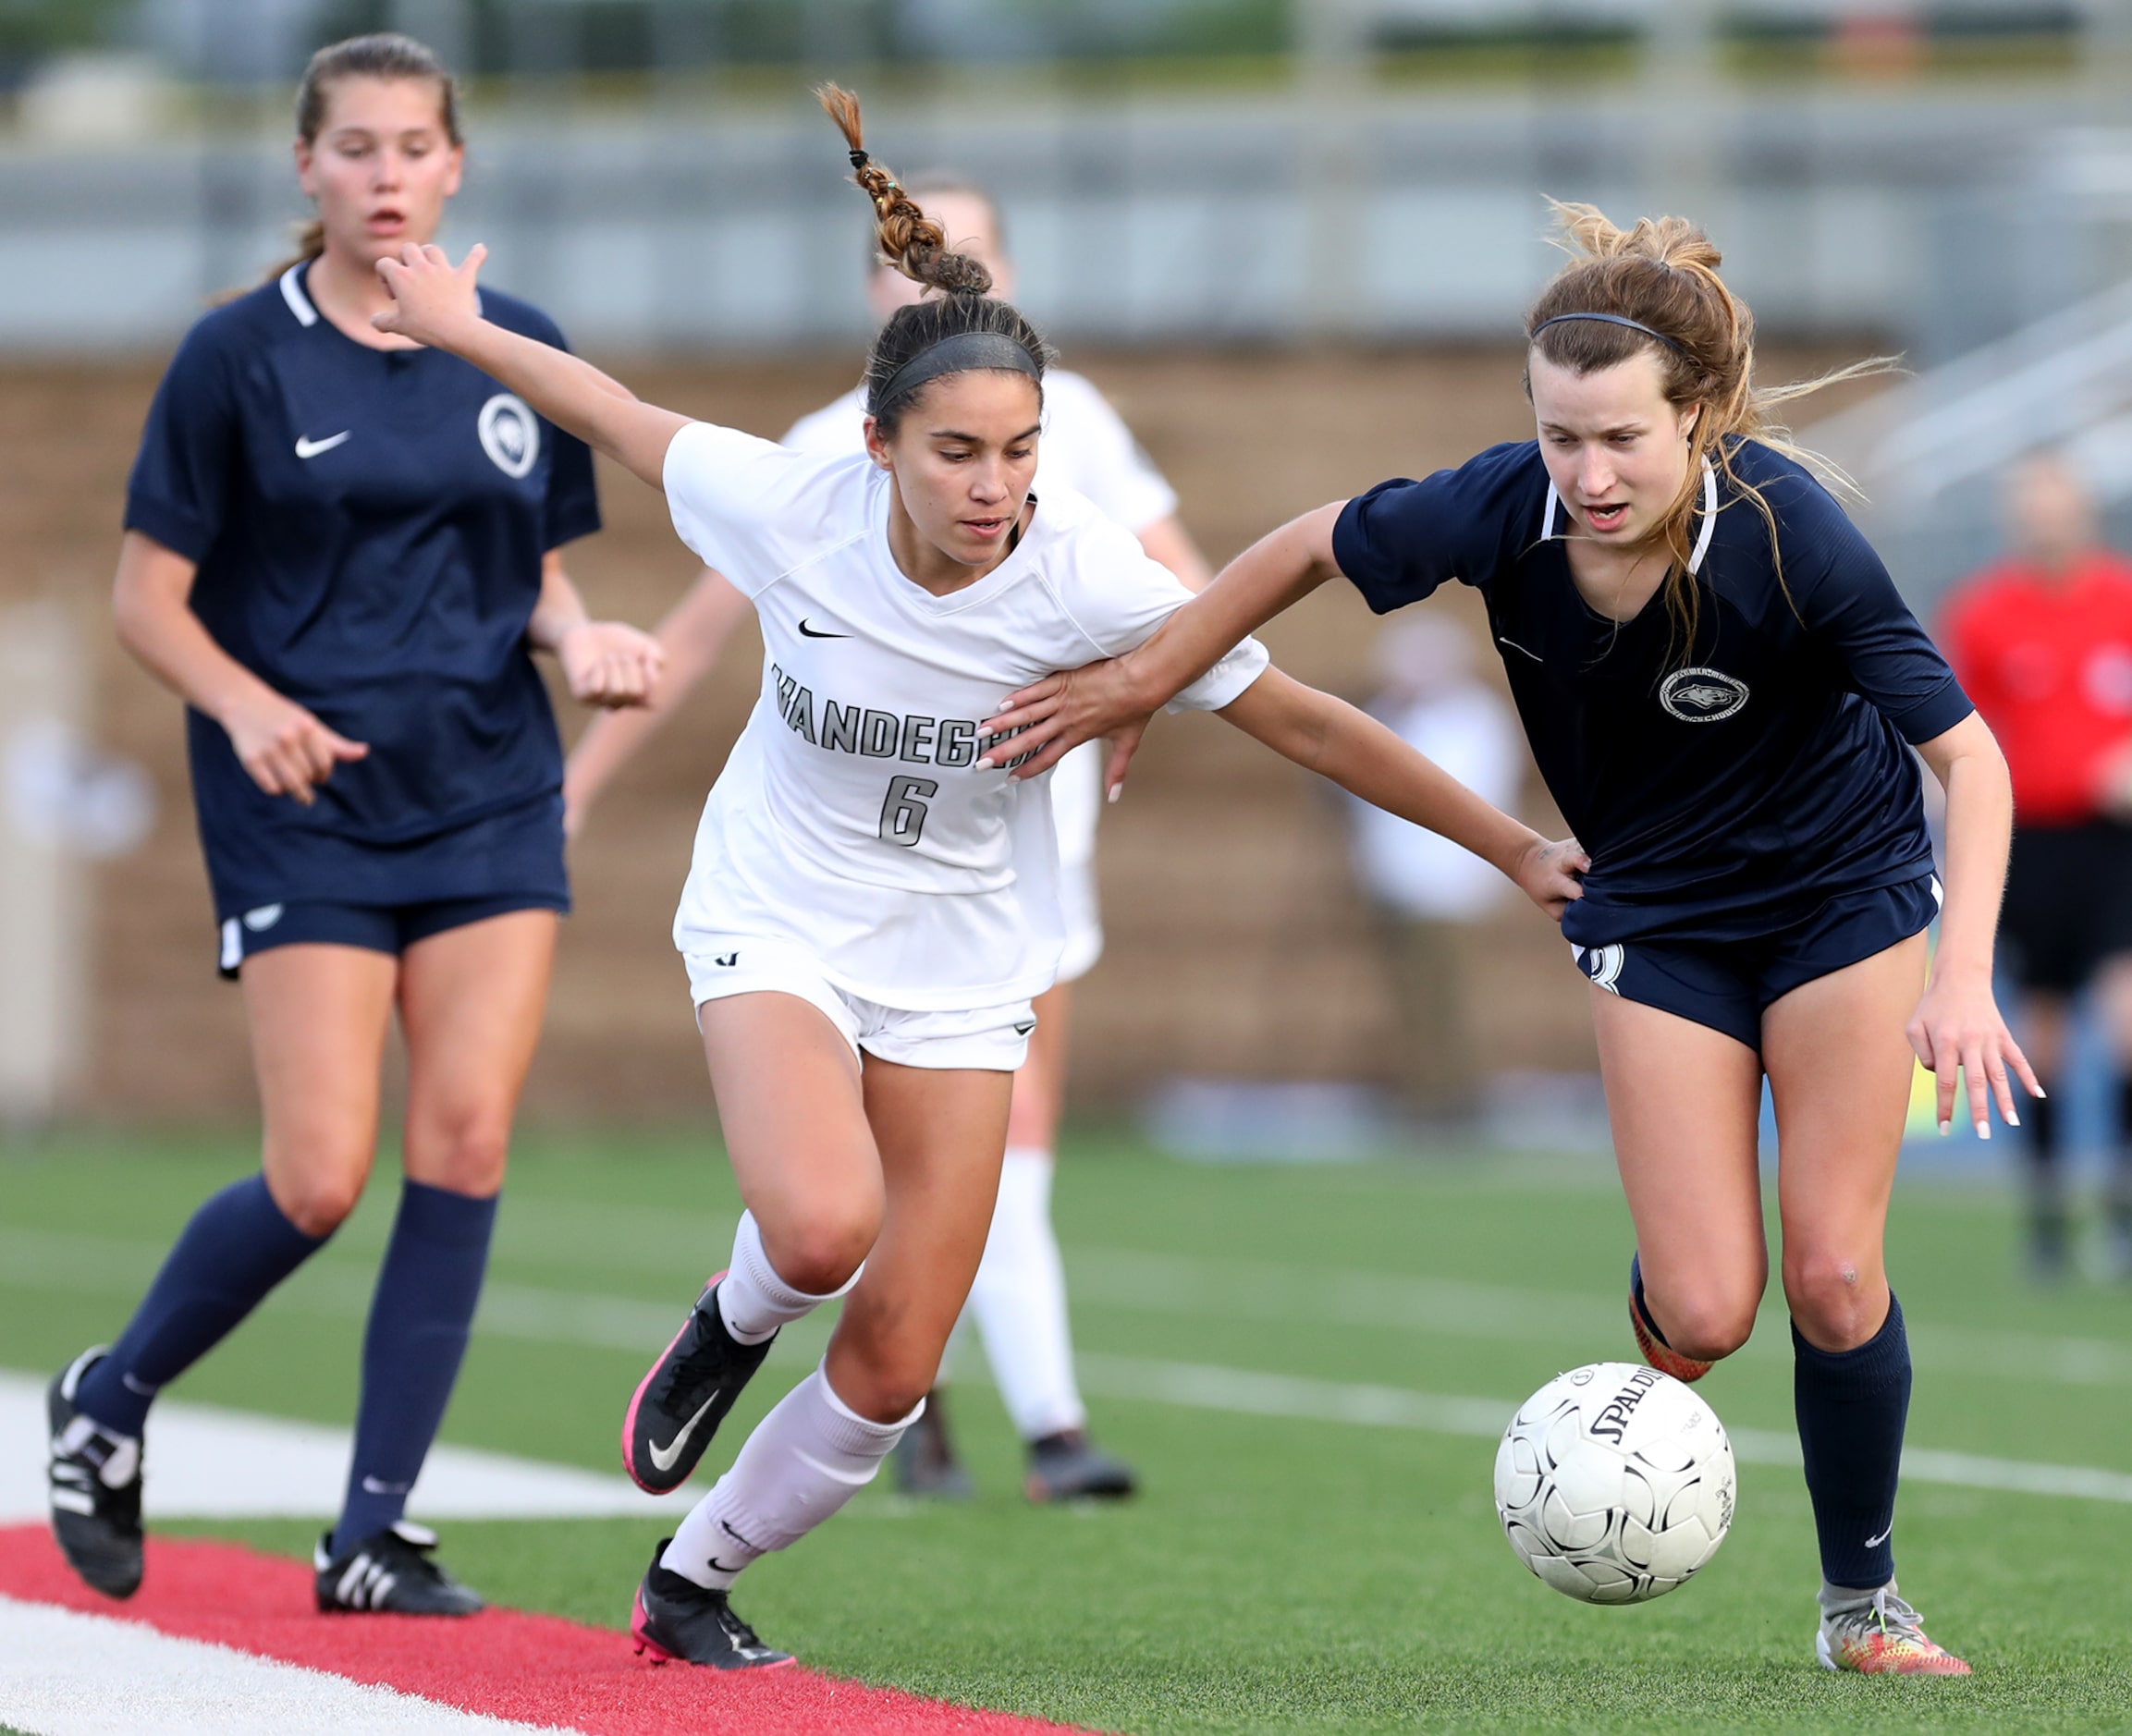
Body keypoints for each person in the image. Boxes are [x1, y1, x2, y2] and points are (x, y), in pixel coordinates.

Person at [369, 85, 1585, 1667]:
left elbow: (1305, 719)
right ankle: (730, 1321)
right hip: (778, 912)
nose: (990, 484)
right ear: (877, 447)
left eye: (1017, 450)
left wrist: (1511, 845)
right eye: (953, 452)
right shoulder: (788, 501)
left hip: (961, 958)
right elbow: (602, 406)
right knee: (818, 1228)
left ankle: (691, 1574)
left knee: (893, 1356)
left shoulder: (1082, 574)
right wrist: (456, 322)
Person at [982, 204, 2038, 1677]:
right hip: (1657, 909)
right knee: (1703, 1307)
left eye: (1622, 439)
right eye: (1559, 436)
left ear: (1701, 420)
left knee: (1832, 1279)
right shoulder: (1498, 510)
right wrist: (1140, 679)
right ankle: (1654, 1331)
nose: (1589, 474)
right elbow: (1298, 549)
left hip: (1842, 904)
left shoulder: (1792, 537)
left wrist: (1968, 975)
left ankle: (1860, 1605)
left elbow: (1970, 762)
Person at [45, 33, 662, 1616]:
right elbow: (144, 602)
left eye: (415, 148)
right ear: (305, 168)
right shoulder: (233, 357)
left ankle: (371, 1530)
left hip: (489, 796)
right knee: (318, 1175)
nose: (388, 176)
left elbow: (532, 566)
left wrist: (578, 640)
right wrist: (246, 707)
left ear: (457, 166)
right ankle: (110, 1397)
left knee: (461, 1139)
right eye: (357, 148)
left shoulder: (519, 344)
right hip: (303, 806)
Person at [563, 177, 1207, 1506]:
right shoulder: (815, 452)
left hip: (1008, 861)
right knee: (829, 1200)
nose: (990, 480)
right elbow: (690, 635)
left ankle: (1006, 1414)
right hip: (820, 876)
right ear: (871, 297)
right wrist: (572, 789)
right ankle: (994, 1412)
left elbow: (1190, 601)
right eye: (911, 257)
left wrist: (1148, 676)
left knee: (986, 1155)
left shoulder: (1069, 416)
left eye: (969, 253)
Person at [1942, 451, 2132, 1280]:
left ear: (2082, 508)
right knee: (2043, 1035)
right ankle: (2050, 1209)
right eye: (2030, 506)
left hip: (2113, 844)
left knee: (2127, 1019)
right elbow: (1956, 734)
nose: (2045, 518)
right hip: (2031, 846)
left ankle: (2122, 1203)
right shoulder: (1985, 615)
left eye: (2057, 502)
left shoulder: (2122, 597)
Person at [1347, 615, 1524, 1125]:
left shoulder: (1470, 720)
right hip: (1398, 883)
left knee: (1443, 996)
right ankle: (1429, 1089)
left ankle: (1450, 1098)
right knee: (1417, 995)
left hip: (1446, 886)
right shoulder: (1395, 717)